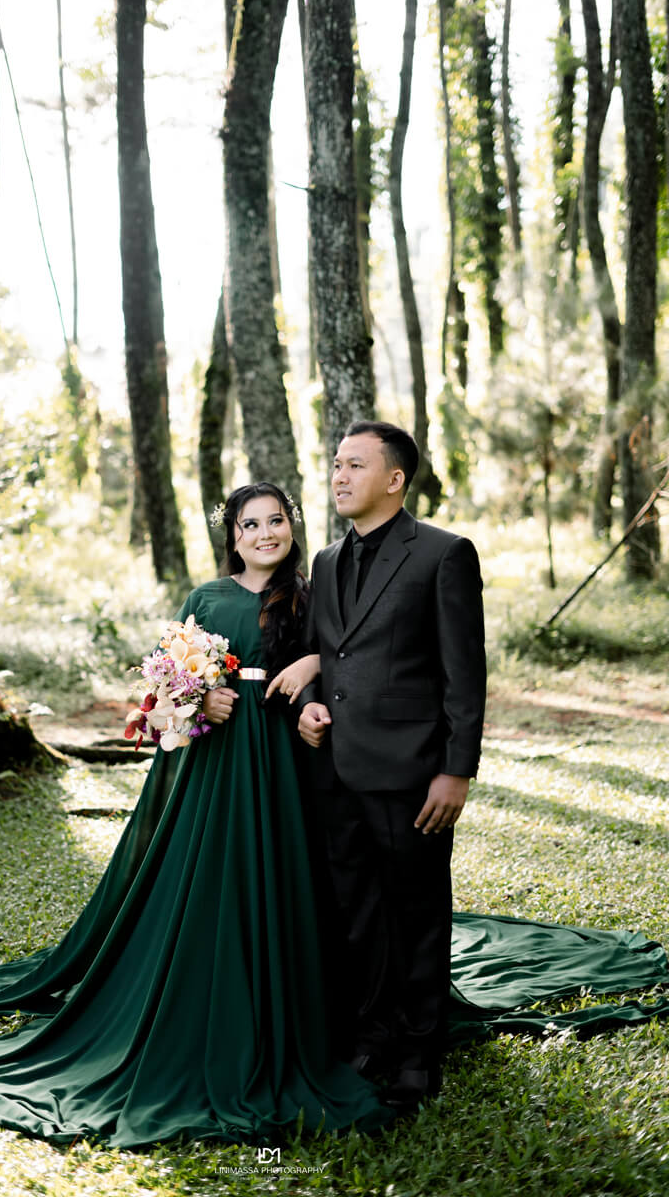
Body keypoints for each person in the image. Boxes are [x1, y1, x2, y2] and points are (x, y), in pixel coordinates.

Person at [0, 483, 394, 1146]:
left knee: (289, 872)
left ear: (292, 526)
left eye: (276, 520)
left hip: (286, 759)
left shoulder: (312, 595)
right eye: (251, 524)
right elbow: (164, 692)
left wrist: (313, 662)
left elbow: (348, 658)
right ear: (233, 537)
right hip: (221, 761)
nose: (266, 533)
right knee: (214, 873)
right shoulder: (207, 599)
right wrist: (200, 701)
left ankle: (298, 1000)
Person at [293, 420, 487, 1111]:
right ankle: (370, 1035)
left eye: (355, 465)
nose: (339, 476)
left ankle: (418, 1054)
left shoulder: (443, 553)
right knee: (357, 913)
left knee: (416, 915)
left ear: (395, 479)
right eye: (336, 464)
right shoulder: (325, 561)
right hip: (336, 770)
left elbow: (465, 674)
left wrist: (456, 770)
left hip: (412, 773)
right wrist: (309, 705)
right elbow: (321, 654)